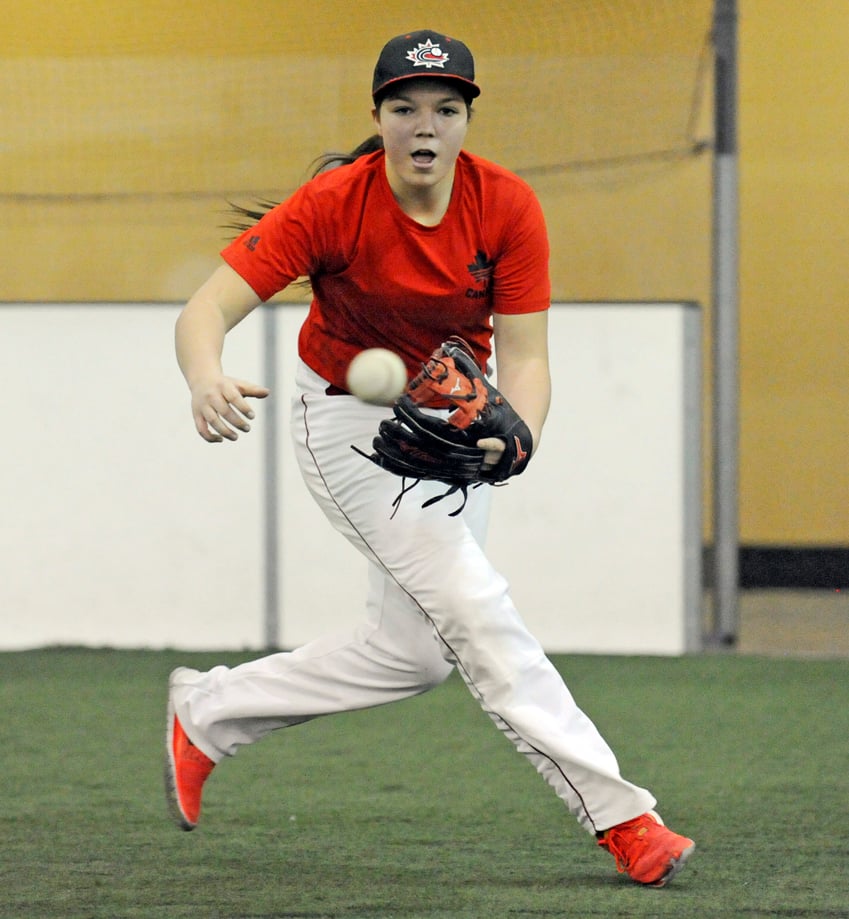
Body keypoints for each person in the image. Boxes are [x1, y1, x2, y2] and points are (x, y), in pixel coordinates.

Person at [165, 29, 695, 888]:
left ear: (464, 120)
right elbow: (204, 310)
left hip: (449, 421)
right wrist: (203, 376)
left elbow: (524, 355)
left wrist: (517, 429)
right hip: (346, 424)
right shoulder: (333, 204)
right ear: (377, 118)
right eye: (404, 108)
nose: (425, 125)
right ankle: (624, 817)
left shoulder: (506, 205)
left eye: (445, 110)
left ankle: (209, 711)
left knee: (412, 653)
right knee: (476, 605)